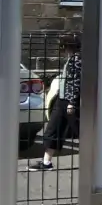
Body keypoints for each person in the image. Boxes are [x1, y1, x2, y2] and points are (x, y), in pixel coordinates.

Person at [34, 33, 82, 171]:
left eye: (63, 46)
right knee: (53, 130)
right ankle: (46, 162)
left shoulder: (77, 60)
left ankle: (97, 161)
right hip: (62, 100)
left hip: (69, 101)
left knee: (82, 132)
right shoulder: (72, 59)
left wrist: (72, 102)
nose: (62, 50)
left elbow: (76, 83)